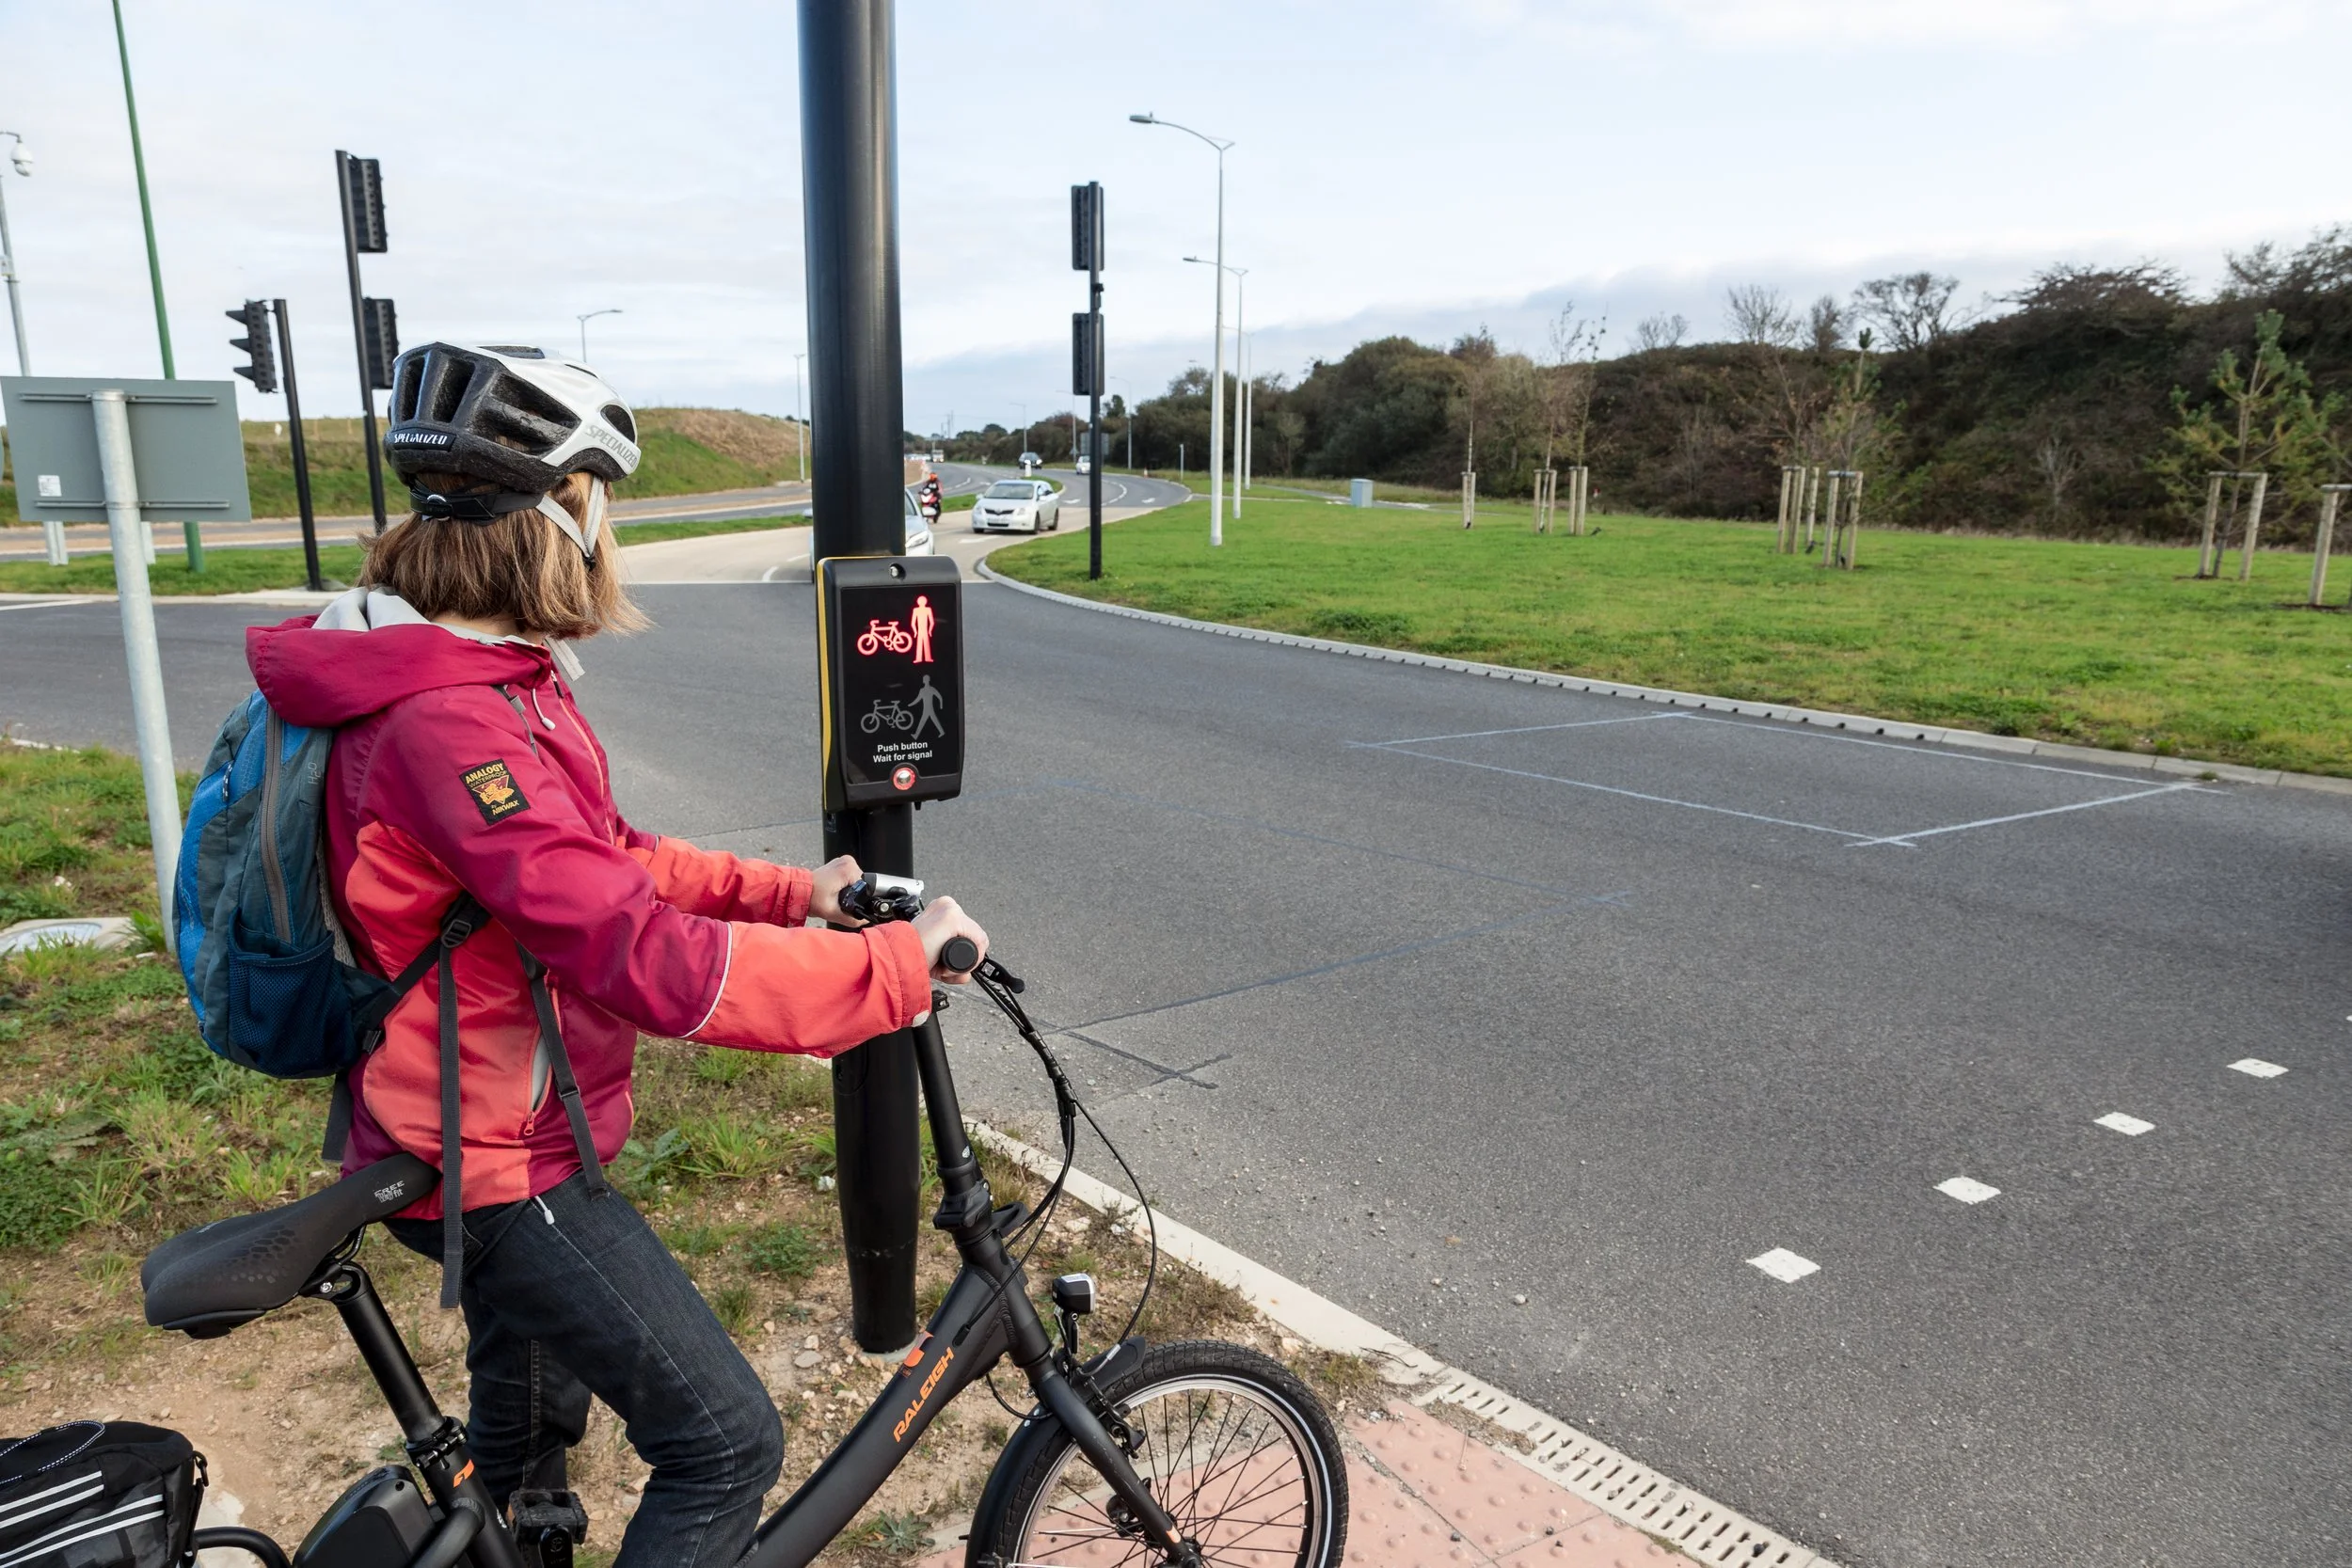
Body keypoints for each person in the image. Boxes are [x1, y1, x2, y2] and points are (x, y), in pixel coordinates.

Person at [244, 342, 988, 1568]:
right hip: (488, 1157)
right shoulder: (447, 723)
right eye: (603, 509)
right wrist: (900, 968)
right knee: (725, 1440)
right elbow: (644, 958)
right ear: (558, 515)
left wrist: (795, 892)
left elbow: (607, 855)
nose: (610, 541)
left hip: (481, 1125)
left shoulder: (488, 681)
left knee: (530, 1432)